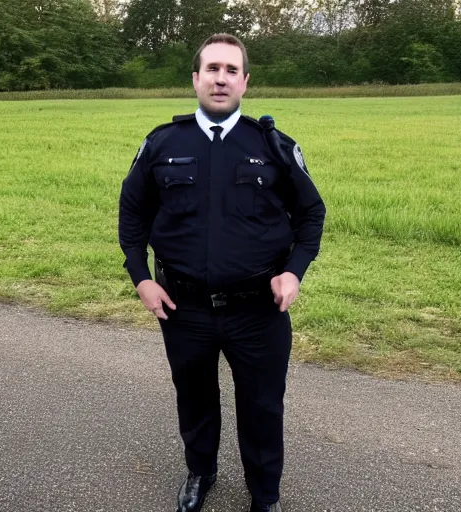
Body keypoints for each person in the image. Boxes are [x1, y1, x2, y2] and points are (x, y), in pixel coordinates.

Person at [118, 33, 326, 512]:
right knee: (194, 399)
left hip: (259, 309)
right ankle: (200, 473)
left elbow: (311, 214)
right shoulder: (162, 144)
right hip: (183, 306)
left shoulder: (271, 145)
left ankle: (265, 496)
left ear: (245, 82)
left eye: (231, 70)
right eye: (212, 68)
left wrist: (294, 272)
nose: (220, 78)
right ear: (195, 78)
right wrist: (141, 278)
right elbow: (132, 216)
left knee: (262, 407)